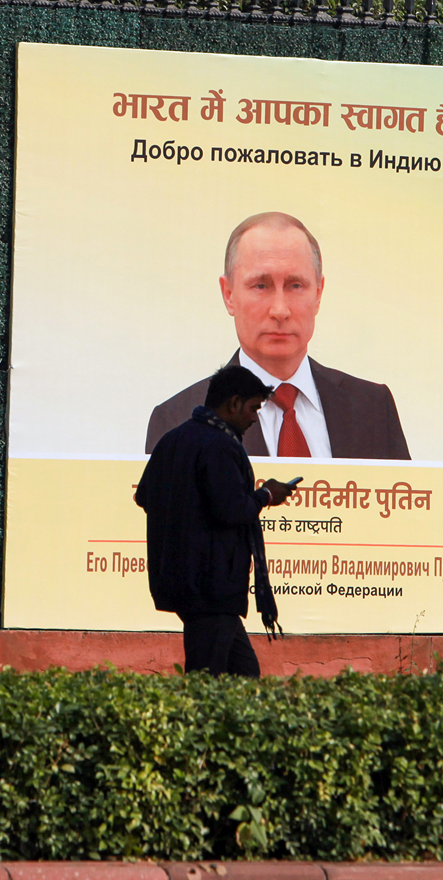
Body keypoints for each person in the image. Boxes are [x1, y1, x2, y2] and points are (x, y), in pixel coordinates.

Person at [145, 212, 410, 459]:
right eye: (261, 285)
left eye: (296, 285)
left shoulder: (373, 409)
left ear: (318, 294)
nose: (280, 310)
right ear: (229, 295)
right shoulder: (177, 421)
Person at [136, 364, 297, 676]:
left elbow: (144, 497)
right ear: (233, 403)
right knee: (208, 678)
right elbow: (231, 510)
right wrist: (265, 495)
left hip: (185, 580)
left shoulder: (172, 439)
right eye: (253, 408)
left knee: (243, 673)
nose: (254, 418)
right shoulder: (220, 445)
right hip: (211, 583)